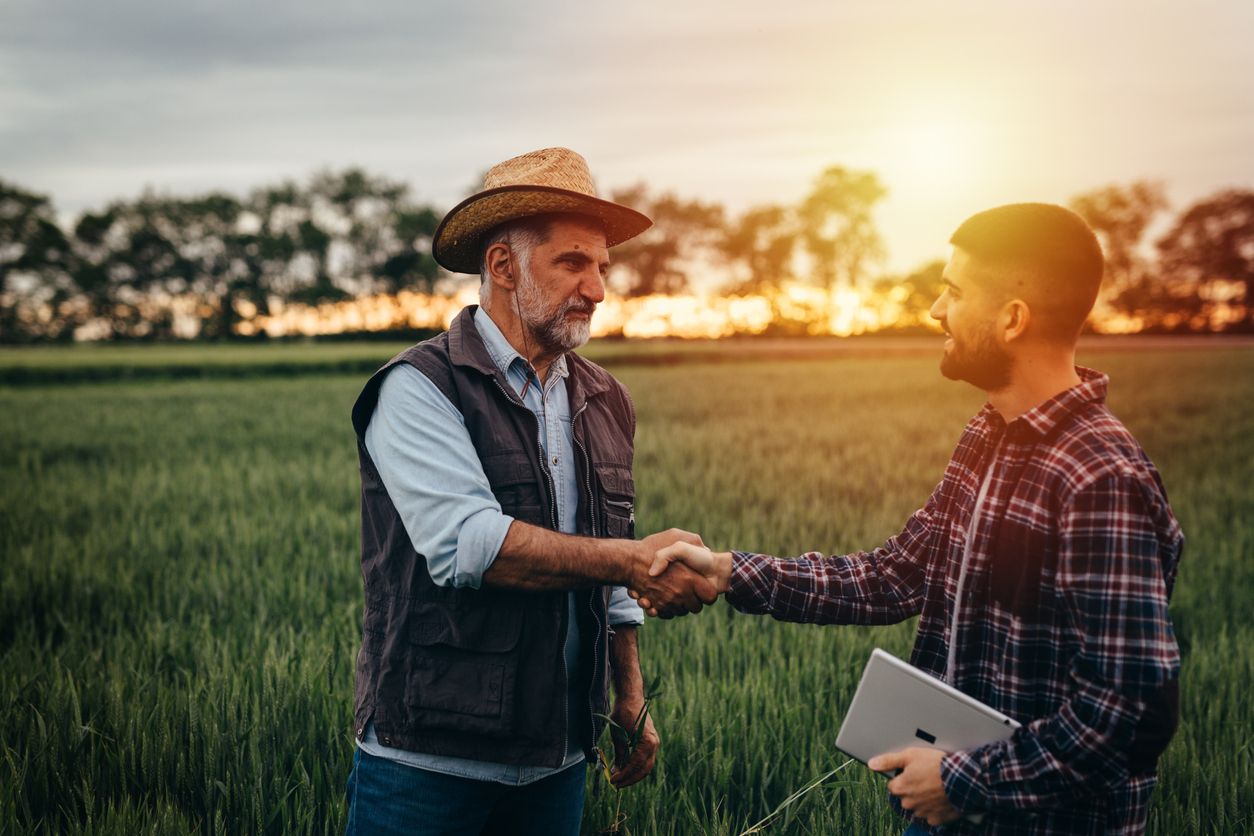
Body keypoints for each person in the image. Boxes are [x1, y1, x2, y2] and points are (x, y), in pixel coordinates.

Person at [640, 203, 1183, 836]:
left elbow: (1129, 707)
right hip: (952, 811)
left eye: (954, 291)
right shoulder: (989, 435)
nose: (936, 310)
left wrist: (963, 781)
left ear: (1012, 318)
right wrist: (728, 571)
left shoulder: (1099, 477)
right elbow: (897, 575)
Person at [344, 147, 716, 836]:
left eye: (603, 266)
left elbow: (608, 553)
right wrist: (635, 560)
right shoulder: (419, 388)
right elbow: (471, 547)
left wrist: (627, 691)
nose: (598, 288)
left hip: (558, 759)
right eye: (573, 262)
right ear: (504, 268)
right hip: (430, 759)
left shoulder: (606, 398)